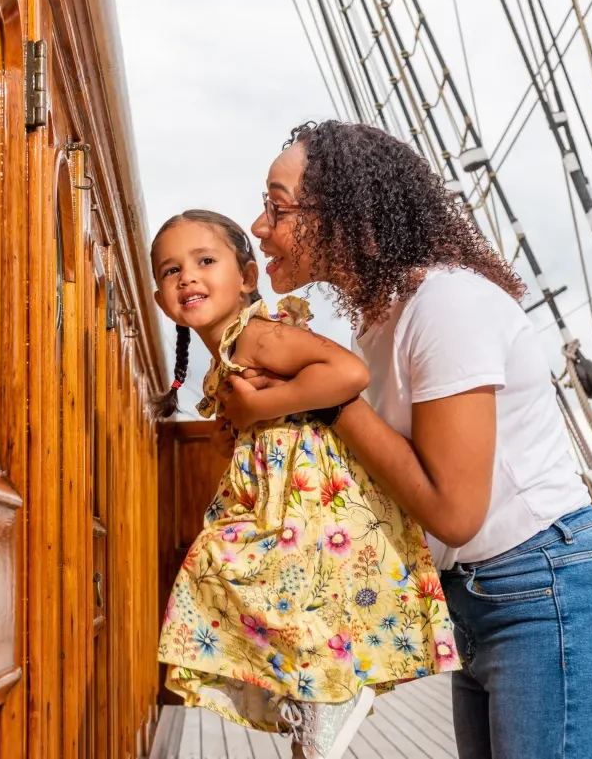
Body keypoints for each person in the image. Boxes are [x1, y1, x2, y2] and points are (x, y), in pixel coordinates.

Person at [221, 120, 592, 758]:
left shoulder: (446, 306)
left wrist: (327, 394)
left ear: (346, 216)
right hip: (476, 599)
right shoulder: (380, 323)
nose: (259, 226)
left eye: (277, 208)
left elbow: (455, 511)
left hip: (548, 590)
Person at [152, 209, 457, 759]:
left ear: (247, 277)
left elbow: (348, 373)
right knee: (283, 597)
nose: (188, 276)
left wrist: (258, 407)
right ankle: (313, 698)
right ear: (160, 298)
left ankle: (328, 694)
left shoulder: (257, 336)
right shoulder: (230, 352)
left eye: (205, 261)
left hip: (314, 501)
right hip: (286, 499)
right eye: (171, 270)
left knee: (218, 565)